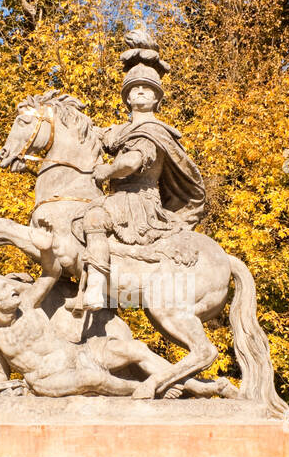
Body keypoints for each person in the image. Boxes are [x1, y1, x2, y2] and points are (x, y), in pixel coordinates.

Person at [70, 26, 205, 313]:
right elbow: (95, 136)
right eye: (135, 89)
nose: (140, 92)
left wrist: (106, 172)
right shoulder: (119, 130)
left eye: (147, 89)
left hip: (138, 202)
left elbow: (131, 163)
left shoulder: (154, 130)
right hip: (119, 198)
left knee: (93, 217)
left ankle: (95, 287)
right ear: (127, 97)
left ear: (157, 98)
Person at [0, 271, 234, 400]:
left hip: (80, 353)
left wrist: (46, 245)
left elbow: (51, 271)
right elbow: (0, 372)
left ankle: (194, 385)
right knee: (93, 379)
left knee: (135, 348)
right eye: (3, 288)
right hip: (49, 378)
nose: (12, 289)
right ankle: (155, 390)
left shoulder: (29, 305)